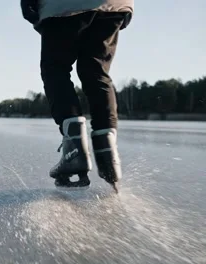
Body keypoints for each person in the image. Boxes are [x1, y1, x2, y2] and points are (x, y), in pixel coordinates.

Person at [20, 0, 134, 192]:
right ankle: (108, 154)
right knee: (96, 72)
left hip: (64, 6)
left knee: (55, 68)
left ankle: (74, 150)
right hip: (113, 5)